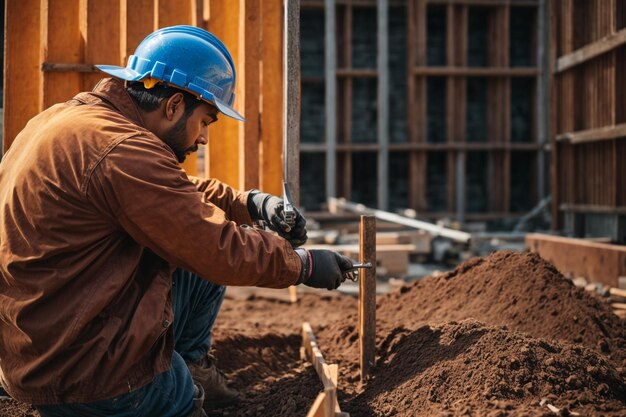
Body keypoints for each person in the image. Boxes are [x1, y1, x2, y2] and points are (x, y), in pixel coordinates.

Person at [0, 26, 355, 417]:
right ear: (172, 106)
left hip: (44, 340)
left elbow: (170, 192)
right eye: (204, 122)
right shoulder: (122, 151)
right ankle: (176, 391)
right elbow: (215, 246)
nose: (203, 139)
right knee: (182, 389)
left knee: (198, 269)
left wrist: (249, 204)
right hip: (88, 376)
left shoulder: (77, 122)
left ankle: (188, 365)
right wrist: (302, 264)